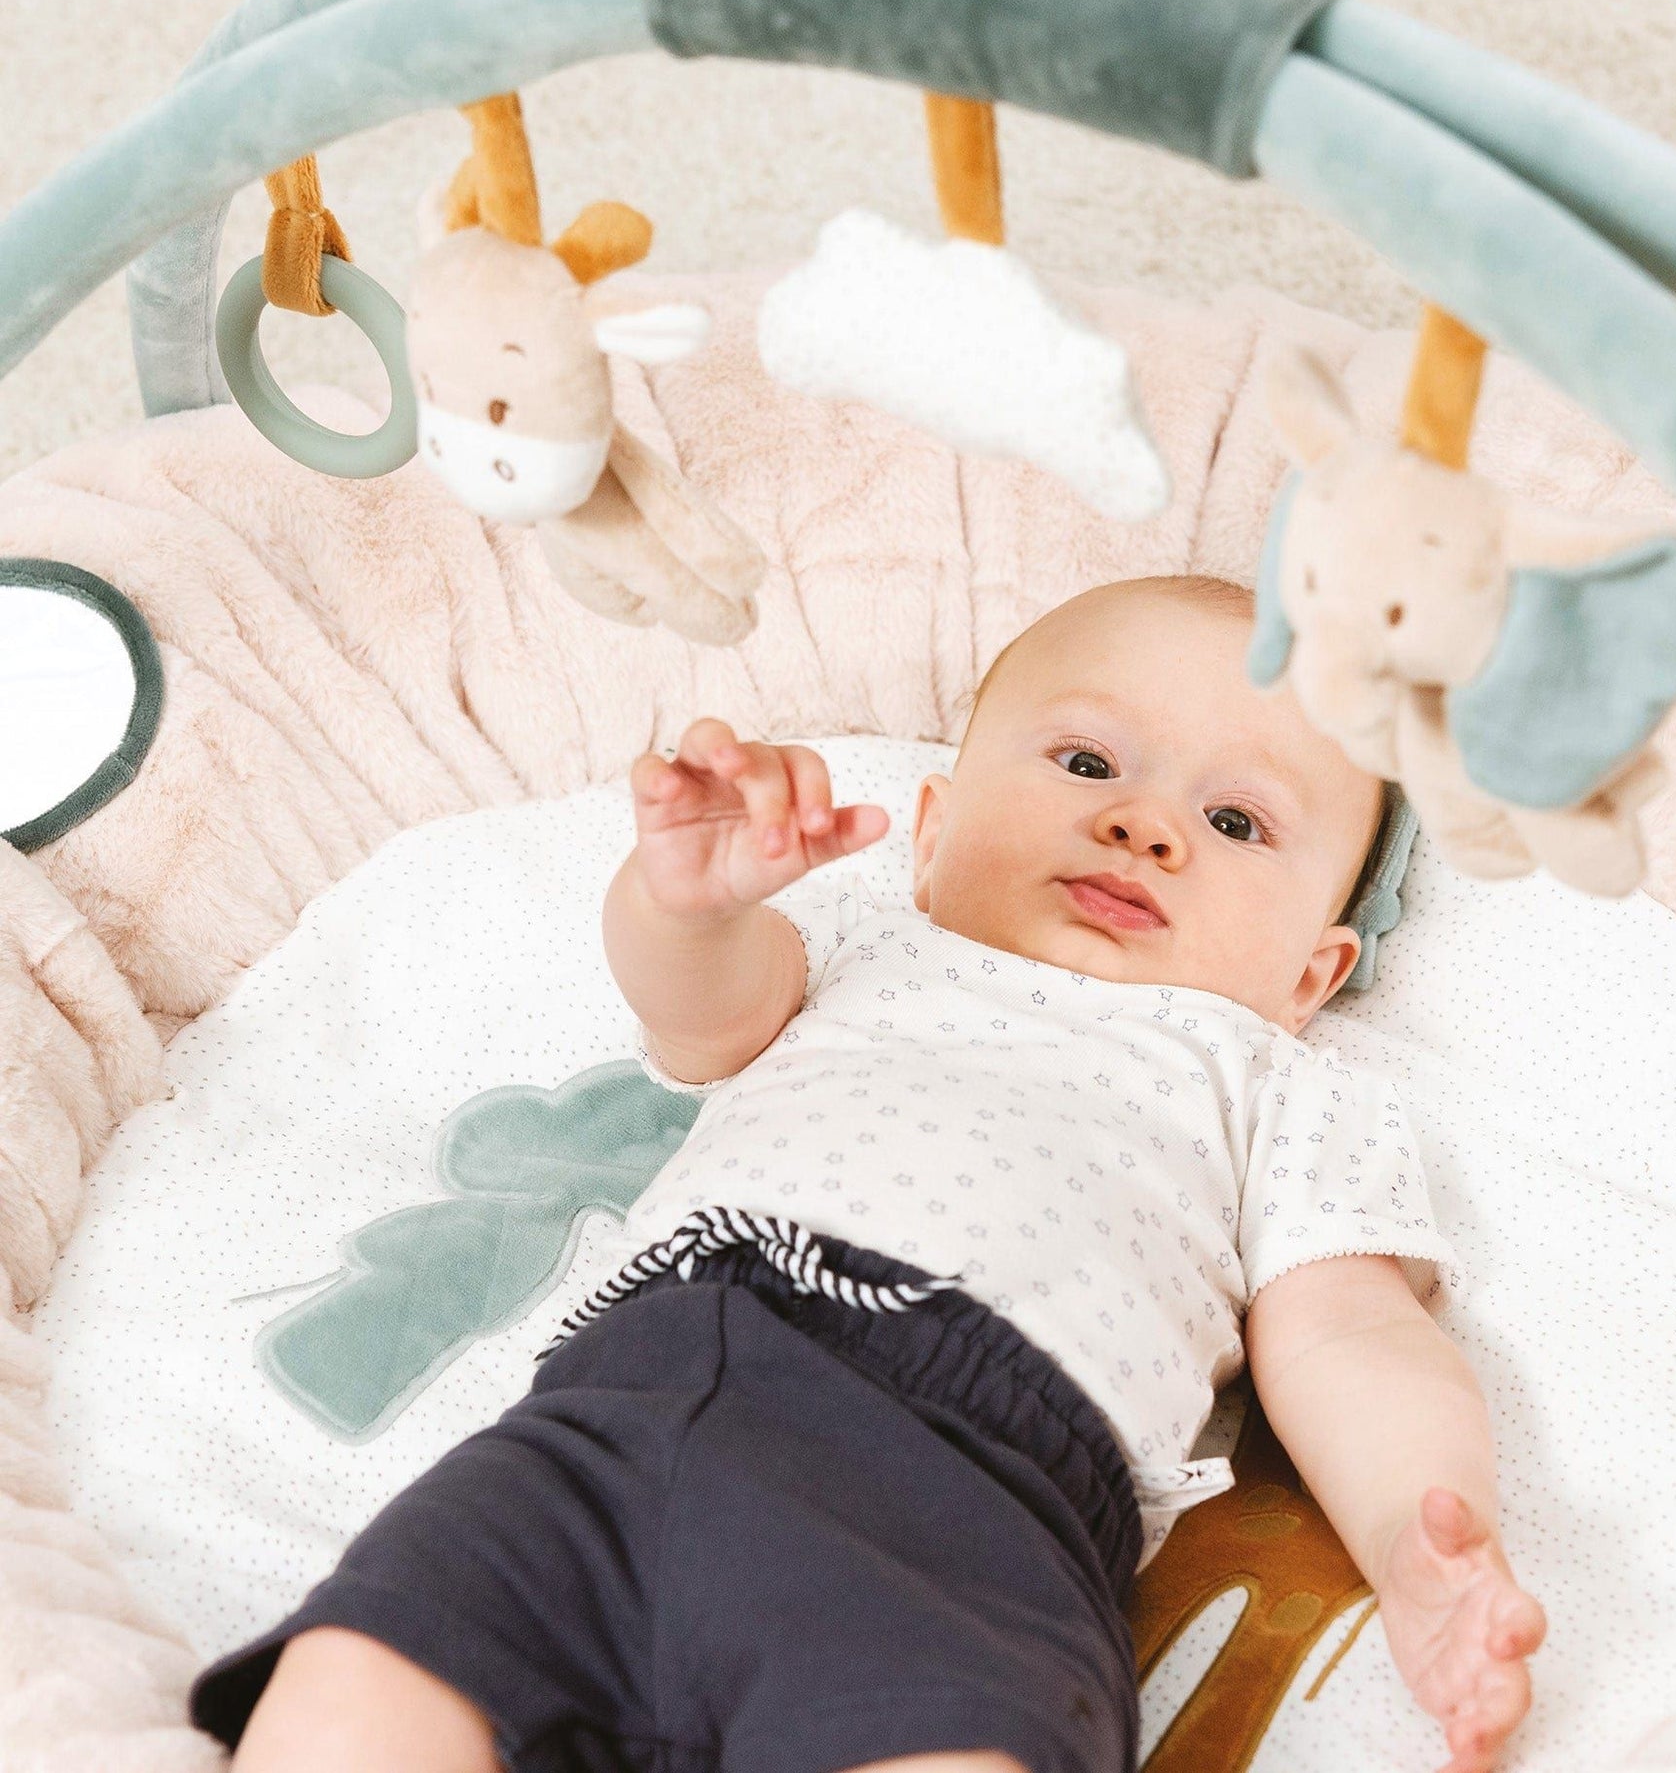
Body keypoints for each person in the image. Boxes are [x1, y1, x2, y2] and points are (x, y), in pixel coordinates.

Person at [194, 573, 1546, 1773]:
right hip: (625, 1421)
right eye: (1086, 760)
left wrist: (1421, 1543)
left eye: (1239, 822)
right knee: (365, 1680)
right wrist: (688, 900)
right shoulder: (863, 941)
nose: (1144, 824)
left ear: (1311, 974)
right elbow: (704, 1014)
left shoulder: (1274, 1081)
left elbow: (1352, 1334)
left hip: (965, 1508)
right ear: (935, 830)